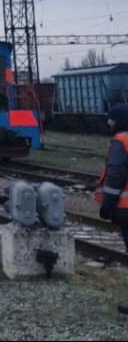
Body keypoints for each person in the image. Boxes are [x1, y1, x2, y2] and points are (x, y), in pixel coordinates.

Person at [96, 104, 128, 315]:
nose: (108, 122)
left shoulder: (121, 141)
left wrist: (107, 206)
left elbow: (115, 176)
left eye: (111, 119)